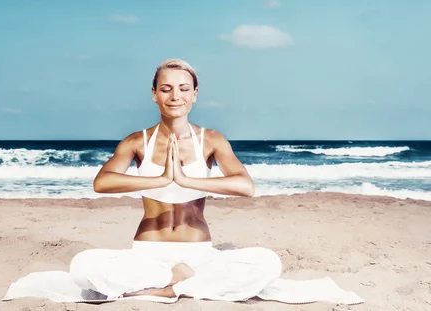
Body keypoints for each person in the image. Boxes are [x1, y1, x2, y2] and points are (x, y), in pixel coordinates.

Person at [68, 59, 284, 301]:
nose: (175, 96)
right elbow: (102, 182)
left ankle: (160, 289)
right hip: (146, 254)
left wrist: (185, 179)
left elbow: (246, 187)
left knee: (268, 262)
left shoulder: (211, 140)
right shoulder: (137, 141)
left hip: (198, 255)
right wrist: (161, 179)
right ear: (154, 94)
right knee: (81, 266)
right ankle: (176, 284)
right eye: (165, 88)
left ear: (194, 94)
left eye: (183, 88)